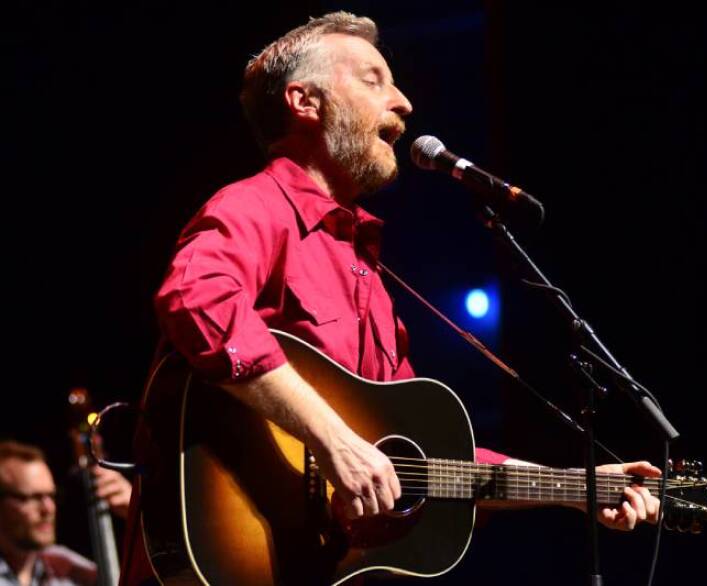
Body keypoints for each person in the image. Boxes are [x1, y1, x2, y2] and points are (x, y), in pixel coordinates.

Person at [122, 11, 662, 584]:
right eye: (373, 80)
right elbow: (196, 300)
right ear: (305, 102)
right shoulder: (255, 206)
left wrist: (575, 487)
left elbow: (420, 458)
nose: (403, 102)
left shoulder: (366, 267)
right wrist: (333, 440)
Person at [0, 441, 131, 586]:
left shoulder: (65, 565)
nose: (48, 508)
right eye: (33, 498)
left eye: (51, 496)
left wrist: (139, 513)